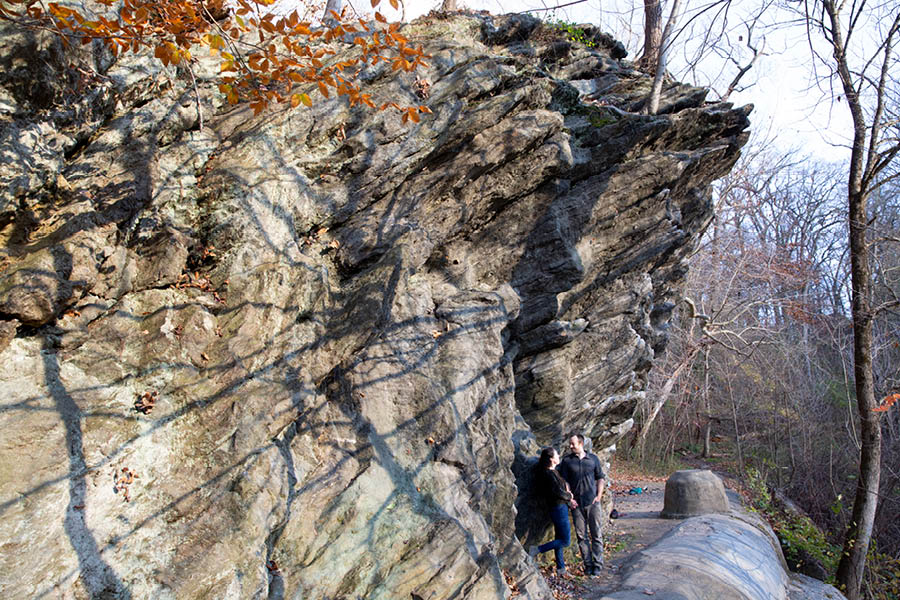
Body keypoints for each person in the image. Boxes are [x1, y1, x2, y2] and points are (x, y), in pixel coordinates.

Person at [558, 433, 606, 576]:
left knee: (596, 534)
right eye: (570, 444)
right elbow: (564, 480)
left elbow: (600, 478)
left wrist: (599, 495)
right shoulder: (567, 461)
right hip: (576, 504)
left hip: (592, 502)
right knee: (581, 536)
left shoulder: (593, 459)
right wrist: (569, 497)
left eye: (573, 444)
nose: (570, 446)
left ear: (581, 444)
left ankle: (598, 564)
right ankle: (588, 565)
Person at [528, 447, 576, 576]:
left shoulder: (552, 472)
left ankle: (561, 568)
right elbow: (557, 492)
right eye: (556, 454)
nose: (559, 455)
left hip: (559, 507)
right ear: (551, 459)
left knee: (559, 538)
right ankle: (537, 549)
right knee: (565, 541)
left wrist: (568, 498)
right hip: (558, 508)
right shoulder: (548, 474)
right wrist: (569, 497)